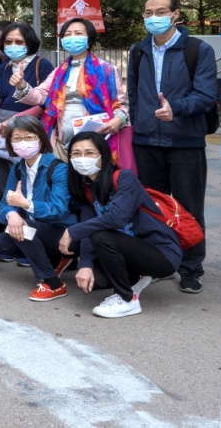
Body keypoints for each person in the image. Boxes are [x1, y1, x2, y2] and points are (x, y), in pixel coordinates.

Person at [127, 0, 218, 295]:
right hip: (146, 140)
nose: (154, 17)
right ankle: (161, 260)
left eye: (161, 11)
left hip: (185, 141)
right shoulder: (138, 50)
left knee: (188, 206)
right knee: (152, 205)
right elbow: (135, 94)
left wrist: (175, 109)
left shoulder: (197, 50)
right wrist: (139, 124)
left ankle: (191, 267)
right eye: (148, 12)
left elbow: (206, 96)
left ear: (176, 15)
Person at [59, 132, 181, 319]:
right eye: (76, 154)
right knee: (95, 281)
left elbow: (117, 219)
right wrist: (84, 263)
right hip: (130, 250)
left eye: (89, 153)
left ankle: (127, 300)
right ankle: (138, 276)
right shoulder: (87, 188)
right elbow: (87, 225)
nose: (82, 158)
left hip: (161, 253)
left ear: (103, 155)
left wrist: (71, 231)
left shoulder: (124, 177)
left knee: (101, 236)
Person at [14, 18, 129, 163]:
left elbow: (121, 106)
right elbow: (39, 96)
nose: (72, 37)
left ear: (89, 39)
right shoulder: (58, 72)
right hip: (62, 144)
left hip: (93, 144)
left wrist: (119, 119)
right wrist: (21, 85)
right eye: (67, 34)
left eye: (78, 33)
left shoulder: (107, 70)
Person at [0, 117, 75, 300]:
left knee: (24, 229)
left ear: (40, 138)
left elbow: (59, 209)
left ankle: (54, 284)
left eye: (29, 137)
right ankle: (54, 261)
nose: (23, 143)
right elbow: (5, 204)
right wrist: (12, 214)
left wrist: (26, 204)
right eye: (17, 138)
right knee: (2, 242)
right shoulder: (18, 168)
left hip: (64, 232)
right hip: (39, 228)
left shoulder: (58, 168)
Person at [0, 22, 54, 203]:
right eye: (8, 41)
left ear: (29, 43)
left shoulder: (42, 65)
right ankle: (7, 220)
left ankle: (28, 219)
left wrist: (14, 121)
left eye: (19, 41)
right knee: (3, 179)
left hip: (26, 128)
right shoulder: (5, 67)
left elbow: (45, 103)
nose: (13, 46)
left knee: (28, 178)